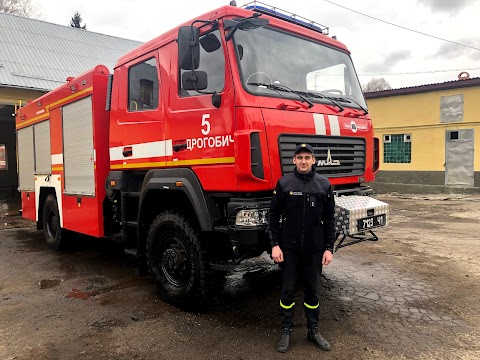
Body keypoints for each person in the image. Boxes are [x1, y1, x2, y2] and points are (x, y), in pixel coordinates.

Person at [268, 143, 336, 353]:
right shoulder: (284, 183)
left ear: (314, 160)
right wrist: (275, 245)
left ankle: (313, 330)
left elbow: (330, 219)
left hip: (314, 250)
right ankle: (286, 330)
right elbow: (273, 217)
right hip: (289, 249)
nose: (304, 161)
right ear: (294, 161)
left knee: (312, 292)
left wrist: (328, 248)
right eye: (300, 157)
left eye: (307, 157)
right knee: (288, 291)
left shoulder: (324, 185)